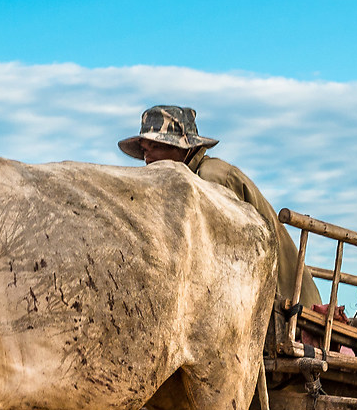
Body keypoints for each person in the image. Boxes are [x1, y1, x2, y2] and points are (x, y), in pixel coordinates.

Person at [119, 105, 319, 311]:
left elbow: (230, 254)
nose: (148, 159)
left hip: (288, 297)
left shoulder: (211, 178)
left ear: (184, 148)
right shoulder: (183, 184)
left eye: (157, 147)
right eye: (144, 150)